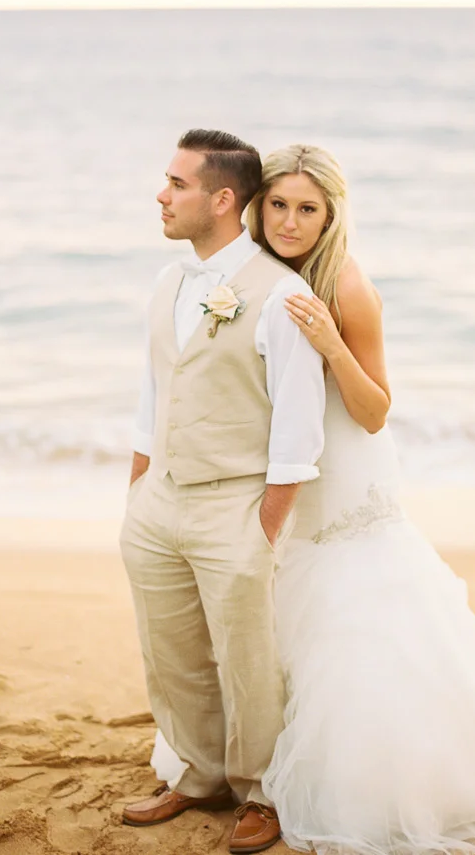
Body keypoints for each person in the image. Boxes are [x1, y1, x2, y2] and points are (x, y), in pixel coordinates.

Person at [153, 143, 475, 855]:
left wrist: (330, 342)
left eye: (307, 208)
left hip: (345, 480)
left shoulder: (345, 285)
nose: (289, 220)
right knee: (263, 627)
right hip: (278, 473)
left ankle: (322, 784)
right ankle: (248, 770)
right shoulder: (251, 276)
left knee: (350, 625)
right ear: (255, 205)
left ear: (330, 215)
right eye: (278, 204)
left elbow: (375, 410)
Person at [119, 130, 326, 854]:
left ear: (223, 199)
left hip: (233, 506)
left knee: (247, 658)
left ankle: (262, 788)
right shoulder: (168, 283)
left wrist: (262, 531)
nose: (161, 194)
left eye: (176, 183)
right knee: (169, 649)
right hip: (159, 503)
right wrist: (137, 497)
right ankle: (200, 773)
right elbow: (153, 394)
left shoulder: (282, 294)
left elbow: (298, 431)